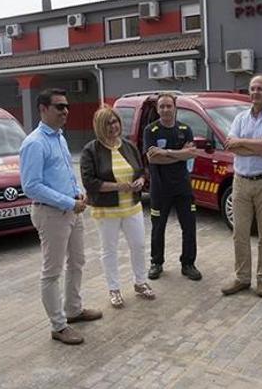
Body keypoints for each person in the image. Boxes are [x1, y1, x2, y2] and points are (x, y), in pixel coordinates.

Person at [20, 88, 102, 346]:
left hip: (71, 210)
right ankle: (58, 325)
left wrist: (77, 193)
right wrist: (68, 201)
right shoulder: (34, 143)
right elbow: (31, 186)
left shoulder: (59, 138)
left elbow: (64, 173)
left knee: (77, 261)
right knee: (52, 271)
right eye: (59, 107)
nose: (65, 111)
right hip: (51, 213)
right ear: (43, 109)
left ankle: (73, 310)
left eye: (66, 106)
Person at [80, 106, 156, 309]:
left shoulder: (129, 146)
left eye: (115, 121)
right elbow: (89, 182)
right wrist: (117, 186)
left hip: (132, 206)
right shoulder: (91, 150)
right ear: (99, 126)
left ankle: (140, 282)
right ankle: (114, 289)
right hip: (107, 210)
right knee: (109, 250)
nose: (113, 126)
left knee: (138, 245)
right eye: (107, 123)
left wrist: (140, 180)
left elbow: (141, 170)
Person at [221, 74, 262, 297]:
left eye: (260, 88)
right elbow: (233, 146)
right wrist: (259, 147)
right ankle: (242, 278)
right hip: (240, 182)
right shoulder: (240, 118)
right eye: (252, 89)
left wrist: (244, 143)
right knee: (239, 234)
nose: (255, 92)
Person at [144, 93, 202, 281]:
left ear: (175, 107)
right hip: (160, 188)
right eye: (162, 107)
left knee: (189, 226)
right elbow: (153, 158)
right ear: (157, 109)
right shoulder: (150, 131)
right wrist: (180, 153)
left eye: (169, 106)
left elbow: (191, 154)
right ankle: (156, 262)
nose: (165, 110)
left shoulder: (185, 129)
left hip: (182, 188)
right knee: (158, 227)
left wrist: (166, 152)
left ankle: (188, 263)